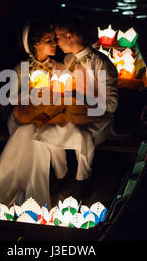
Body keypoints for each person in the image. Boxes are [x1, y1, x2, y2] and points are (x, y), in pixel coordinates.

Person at [0, 21, 90, 210]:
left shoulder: (59, 68)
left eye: (53, 40)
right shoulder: (21, 68)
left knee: (38, 130)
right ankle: (36, 185)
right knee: (31, 129)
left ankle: (45, 183)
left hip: (49, 118)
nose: (54, 44)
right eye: (48, 40)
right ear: (36, 44)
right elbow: (8, 99)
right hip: (21, 118)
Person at [32, 16, 119, 199]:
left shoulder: (100, 63)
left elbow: (111, 105)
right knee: (46, 130)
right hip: (75, 115)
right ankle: (61, 174)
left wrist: (81, 100)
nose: (56, 42)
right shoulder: (68, 60)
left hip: (98, 118)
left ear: (69, 37)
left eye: (58, 37)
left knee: (81, 134)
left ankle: (82, 179)